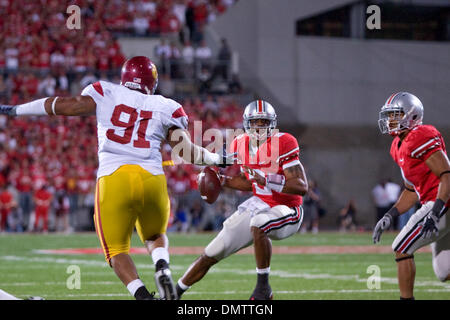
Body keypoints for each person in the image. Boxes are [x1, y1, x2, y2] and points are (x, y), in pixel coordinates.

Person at [0, 56, 231, 300]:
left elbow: (64, 105)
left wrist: (15, 109)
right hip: (151, 178)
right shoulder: (166, 105)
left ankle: (143, 296)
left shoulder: (105, 91)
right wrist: (218, 159)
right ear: (152, 82)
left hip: (114, 178)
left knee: (117, 250)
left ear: (124, 77)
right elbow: (186, 151)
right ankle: (161, 266)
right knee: (154, 234)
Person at [175, 100, 308, 300]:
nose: (260, 127)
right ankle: (172, 294)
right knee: (213, 250)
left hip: (288, 208)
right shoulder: (241, 143)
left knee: (259, 223)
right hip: (261, 205)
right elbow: (249, 183)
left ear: (272, 124)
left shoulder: (285, 142)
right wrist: (223, 180)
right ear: (247, 124)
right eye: (256, 122)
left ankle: (263, 288)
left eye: (264, 122)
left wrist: (267, 179)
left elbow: (301, 186)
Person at [372, 92, 450, 300]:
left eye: (395, 115)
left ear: (412, 115)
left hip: (442, 203)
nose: (390, 121)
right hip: (437, 203)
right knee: (444, 272)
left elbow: (446, 174)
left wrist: (436, 211)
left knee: (401, 247)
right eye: (389, 116)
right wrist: (390, 214)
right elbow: (410, 191)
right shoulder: (398, 146)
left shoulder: (419, 135)